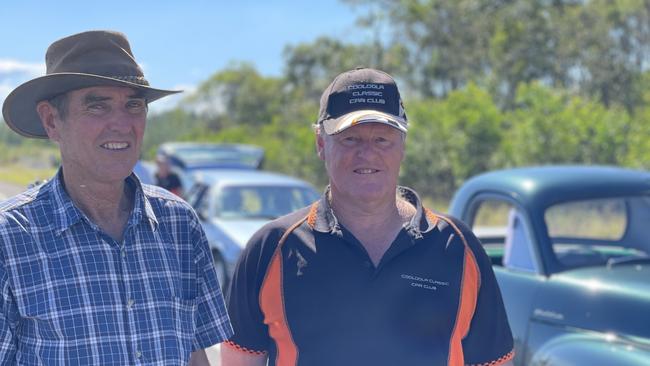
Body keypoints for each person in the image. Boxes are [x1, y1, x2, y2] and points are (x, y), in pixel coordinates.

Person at [221, 68, 514, 366]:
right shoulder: (272, 249)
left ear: (403, 145)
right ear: (321, 144)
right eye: (350, 139)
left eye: (382, 139)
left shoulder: (456, 247)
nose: (367, 153)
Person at [0, 30, 232, 365]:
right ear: (52, 121)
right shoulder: (10, 238)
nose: (122, 124)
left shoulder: (179, 224)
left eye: (133, 104)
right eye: (98, 106)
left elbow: (197, 356)